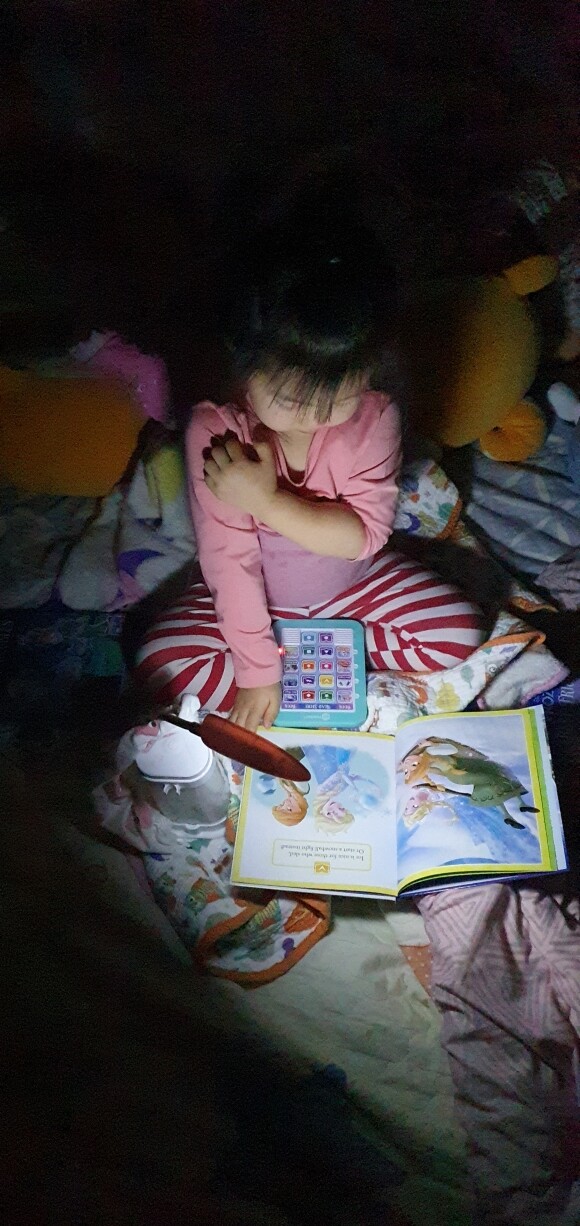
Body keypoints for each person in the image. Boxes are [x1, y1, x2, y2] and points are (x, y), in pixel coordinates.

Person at [136, 202, 485, 730]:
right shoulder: (216, 430)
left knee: (458, 632)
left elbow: (363, 538)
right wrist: (256, 669)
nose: (316, 418)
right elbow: (229, 560)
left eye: (338, 397)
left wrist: (265, 500)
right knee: (159, 667)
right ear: (243, 367)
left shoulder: (375, 416)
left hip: (352, 585)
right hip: (254, 596)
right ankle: (297, 665)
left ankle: (321, 661)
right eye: (290, 399)